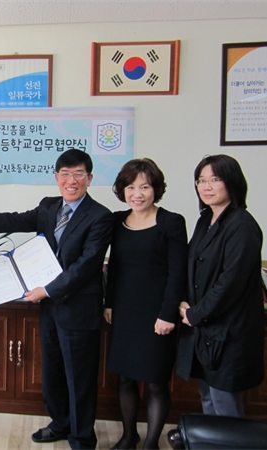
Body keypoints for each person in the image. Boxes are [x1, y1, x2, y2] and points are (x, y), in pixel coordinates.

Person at [0, 149, 113, 449]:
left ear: (90, 178)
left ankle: (82, 438)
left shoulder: (100, 216)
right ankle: (60, 423)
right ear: (56, 178)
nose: (71, 180)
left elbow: (87, 264)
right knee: (51, 370)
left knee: (79, 377)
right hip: (50, 308)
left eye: (79, 174)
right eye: (65, 174)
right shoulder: (49, 206)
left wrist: (48, 289)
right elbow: (14, 220)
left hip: (79, 308)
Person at [103, 159, 187, 450]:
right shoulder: (117, 221)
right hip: (125, 311)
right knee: (125, 377)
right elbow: (114, 267)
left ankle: (151, 443)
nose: (137, 194)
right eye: (130, 187)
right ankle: (129, 436)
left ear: (156, 189)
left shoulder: (171, 222)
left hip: (157, 313)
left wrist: (168, 314)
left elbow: (178, 273)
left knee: (155, 381)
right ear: (122, 190)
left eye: (145, 187)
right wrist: (109, 303)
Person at [176, 154, 264, 418]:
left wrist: (195, 313)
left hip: (228, 333)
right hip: (204, 331)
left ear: (232, 182)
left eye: (215, 179)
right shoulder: (205, 220)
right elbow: (190, 266)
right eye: (201, 180)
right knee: (207, 397)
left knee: (225, 405)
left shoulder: (242, 225)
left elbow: (230, 282)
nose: (206, 187)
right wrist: (184, 301)